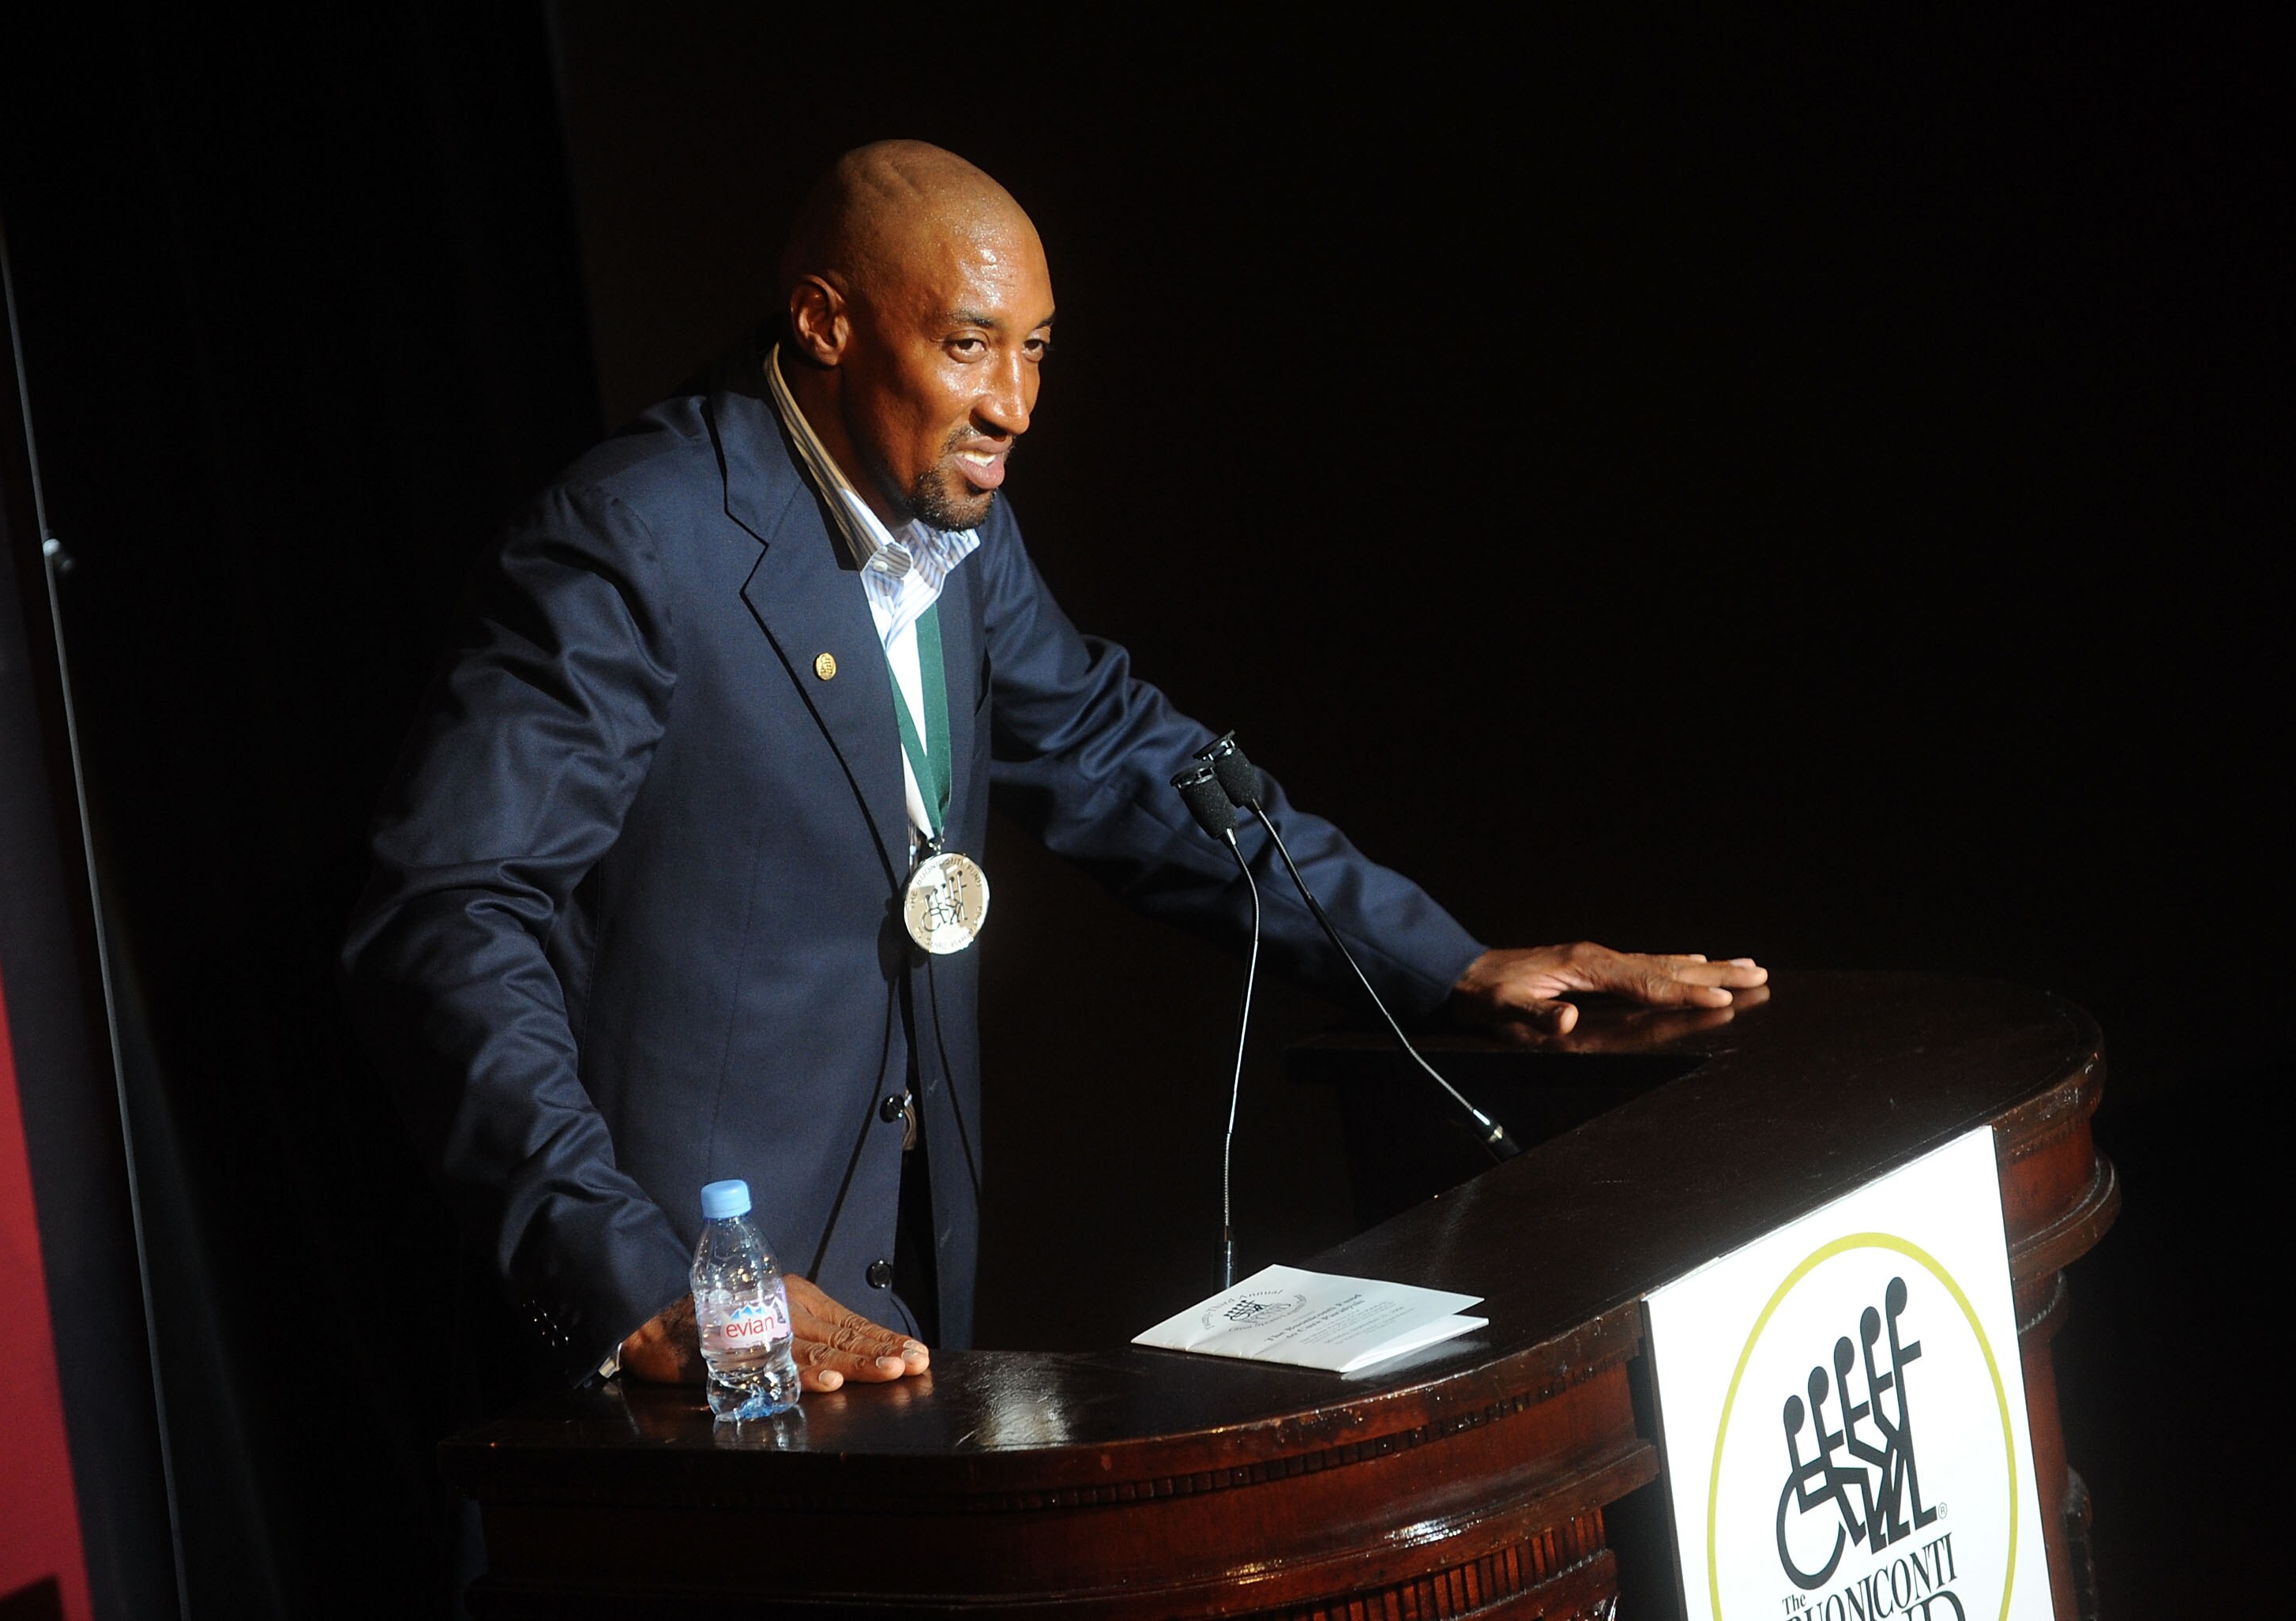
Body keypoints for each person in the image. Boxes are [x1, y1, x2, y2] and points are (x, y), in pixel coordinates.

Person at [340, 141, 1765, 1400]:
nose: (1014, 404)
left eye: (1038, 350)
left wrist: (1448, 962)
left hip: (902, 1299)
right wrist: (645, 1278)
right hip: (694, 1343)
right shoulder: (638, 542)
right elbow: (446, 921)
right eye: (970, 345)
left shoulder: (956, 525)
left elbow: (1116, 751)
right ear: (825, 321)